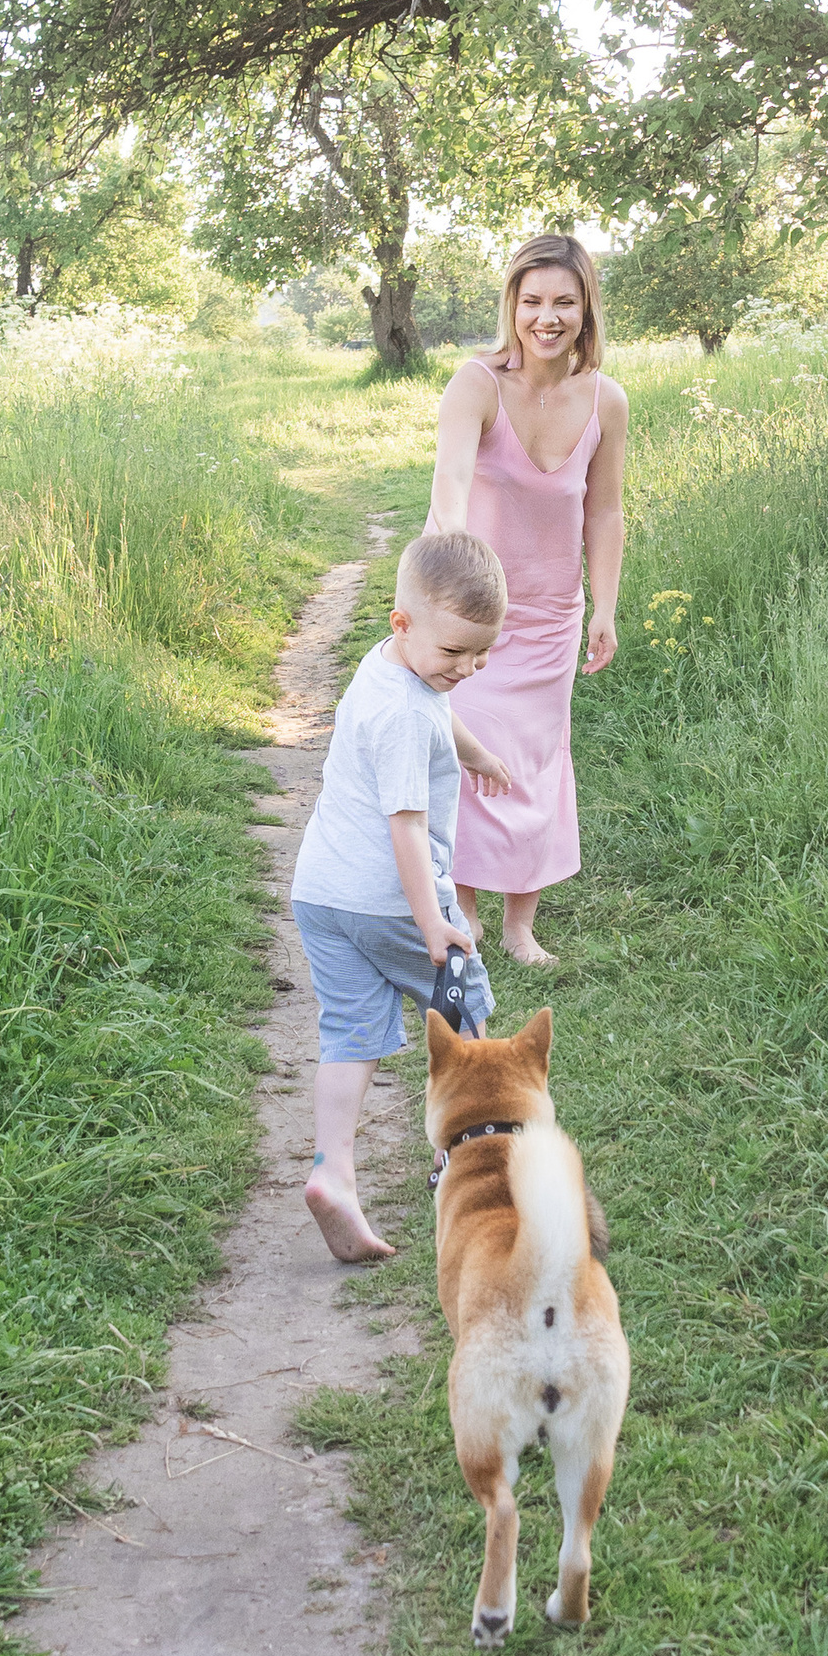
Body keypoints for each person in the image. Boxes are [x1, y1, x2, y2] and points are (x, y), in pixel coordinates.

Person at [290, 529, 515, 1262]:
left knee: (350, 1032)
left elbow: (435, 706)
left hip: (322, 894)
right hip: (390, 901)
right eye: (454, 653)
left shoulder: (387, 667)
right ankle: (477, 1156)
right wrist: (434, 925)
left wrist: (475, 754)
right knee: (467, 1014)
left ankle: (334, 1173)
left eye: (481, 652)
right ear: (403, 623)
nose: (468, 668)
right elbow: (408, 830)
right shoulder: (409, 714)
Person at [428, 233, 628, 967]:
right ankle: (468, 916)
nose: (547, 317)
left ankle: (520, 928)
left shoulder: (606, 399)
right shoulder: (476, 383)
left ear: (585, 310)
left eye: (563, 302)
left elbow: (604, 513)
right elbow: (449, 482)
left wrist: (603, 607)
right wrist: (452, 570)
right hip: (474, 606)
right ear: (513, 305)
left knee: (539, 761)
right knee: (471, 757)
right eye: (533, 301)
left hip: (552, 613)